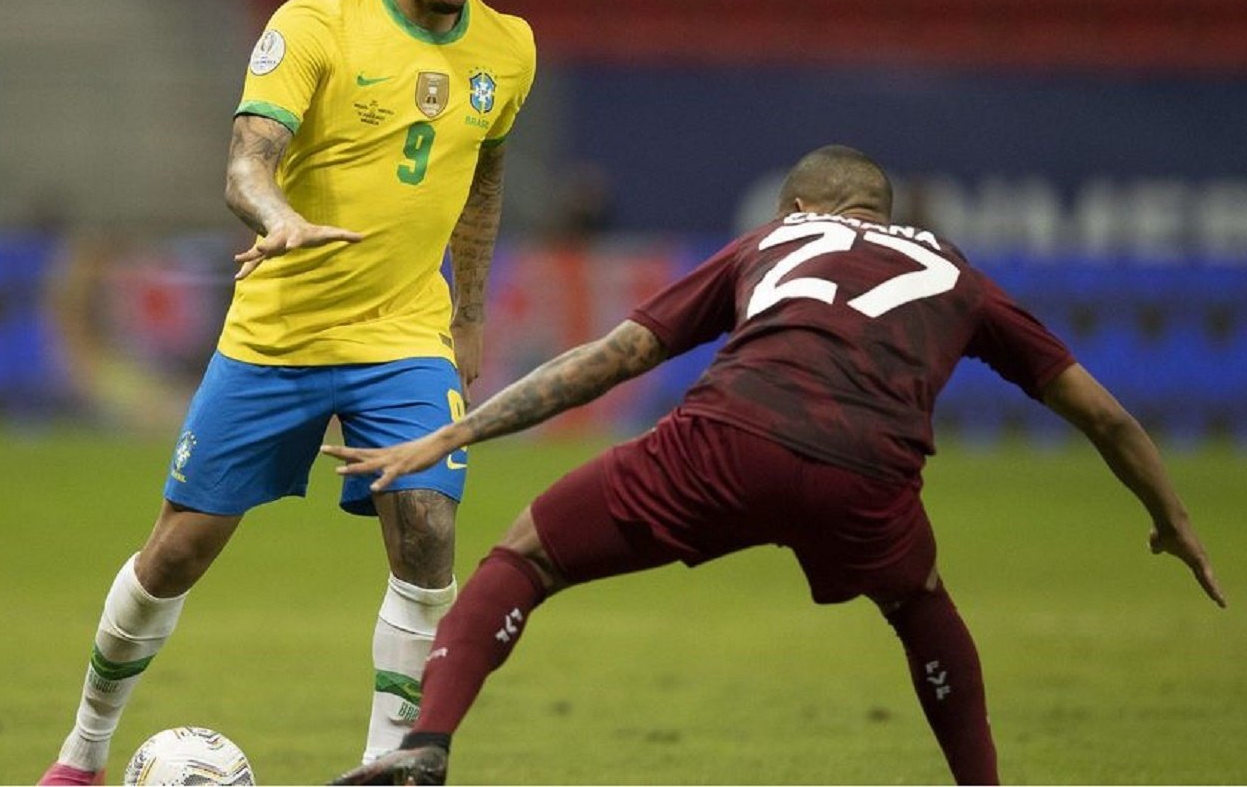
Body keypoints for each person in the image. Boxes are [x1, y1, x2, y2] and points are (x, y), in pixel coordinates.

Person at [321, 145, 1225, 786]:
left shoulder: (770, 243)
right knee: (921, 606)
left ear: (796, 209)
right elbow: (1103, 413)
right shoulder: (959, 272)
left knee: (527, 555)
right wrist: (1173, 517)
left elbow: (614, 357)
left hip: (728, 441)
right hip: (868, 475)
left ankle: (426, 746)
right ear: (886, 217)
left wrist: (452, 433)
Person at [40, 0, 536, 785]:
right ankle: (83, 752)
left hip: (402, 333)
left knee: (429, 527)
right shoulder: (315, 24)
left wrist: (468, 312)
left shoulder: (508, 48)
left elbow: (486, 177)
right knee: (178, 551)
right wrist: (277, 217)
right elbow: (246, 157)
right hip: (280, 333)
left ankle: (390, 766)